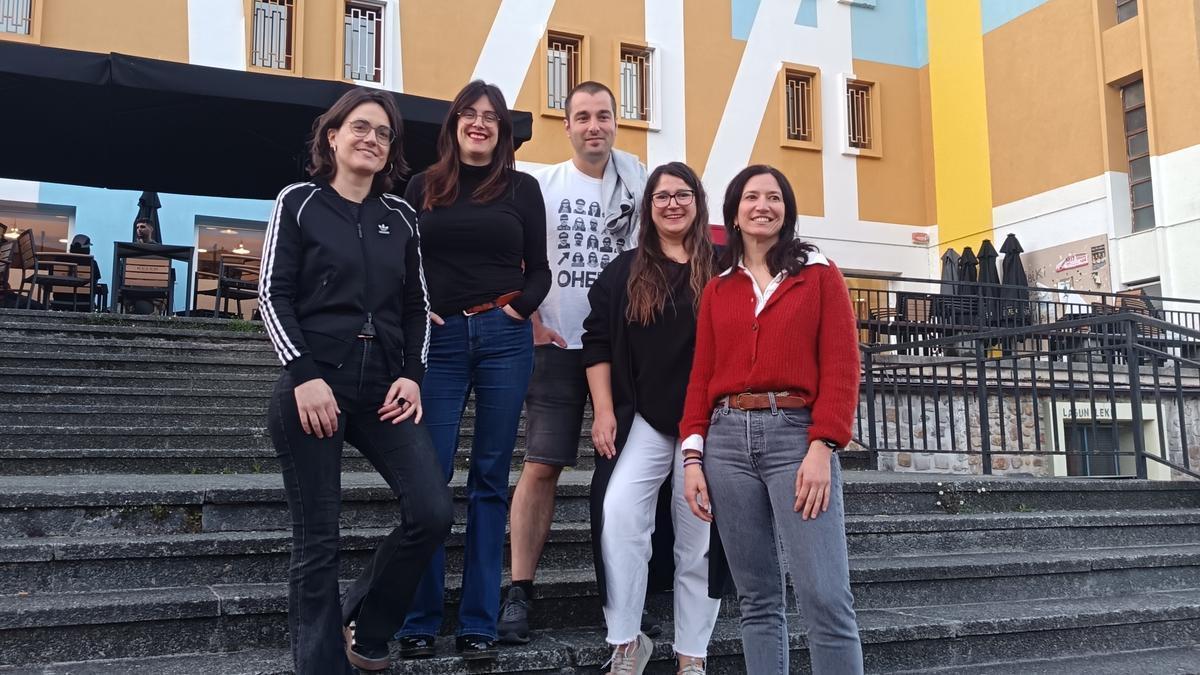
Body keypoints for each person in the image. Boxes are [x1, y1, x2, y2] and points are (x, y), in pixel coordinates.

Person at [259, 87, 452, 674]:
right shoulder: (298, 202)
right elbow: (272, 294)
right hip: (315, 384)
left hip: (385, 389)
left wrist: (413, 378)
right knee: (318, 539)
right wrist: (304, 375)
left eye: (384, 133)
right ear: (333, 136)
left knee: (432, 510)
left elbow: (418, 306)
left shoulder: (402, 216)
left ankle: (365, 626)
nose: (372, 139)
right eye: (361, 127)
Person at [679, 165, 864, 675]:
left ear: (787, 210)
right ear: (734, 212)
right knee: (757, 600)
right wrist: (692, 458)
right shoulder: (718, 288)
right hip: (725, 444)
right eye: (752, 197)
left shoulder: (818, 273)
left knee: (825, 596)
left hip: (795, 437)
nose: (763, 205)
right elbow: (700, 378)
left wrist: (824, 445)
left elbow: (843, 366)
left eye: (775, 197)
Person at [397, 80, 550, 661]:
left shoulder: (522, 188)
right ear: (455, 123)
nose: (480, 123)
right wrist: (420, 313)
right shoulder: (422, 187)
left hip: (504, 338)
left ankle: (479, 618)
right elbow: (404, 265)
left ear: (502, 130)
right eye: (470, 114)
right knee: (429, 476)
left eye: (491, 116)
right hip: (439, 340)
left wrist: (516, 310)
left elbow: (539, 271)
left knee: (489, 478)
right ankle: (420, 617)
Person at [498, 80, 652, 644]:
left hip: (623, 351)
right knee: (542, 465)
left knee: (629, 474)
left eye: (604, 116)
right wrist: (532, 320)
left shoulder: (639, 184)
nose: (594, 126)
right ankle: (520, 591)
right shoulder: (542, 183)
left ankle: (628, 595)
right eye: (582, 116)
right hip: (559, 346)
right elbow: (512, 253)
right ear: (566, 125)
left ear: (617, 122)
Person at [582, 162, 724, 675]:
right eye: (661, 196)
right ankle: (626, 642)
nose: (671, 204)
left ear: (697, 202)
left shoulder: (723, 268)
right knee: (619, 514)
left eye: (681, 195)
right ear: (649, 207)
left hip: (707, 424)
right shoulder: (624, 271)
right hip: (643, 416)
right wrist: (602, 411)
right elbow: (596, 341)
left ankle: (692, 655)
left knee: (699, 538)